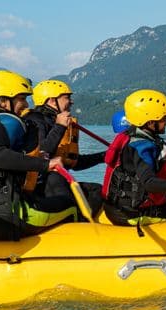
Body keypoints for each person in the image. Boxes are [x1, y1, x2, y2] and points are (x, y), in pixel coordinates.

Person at [0, 70, 80, 240]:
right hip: (2, 213)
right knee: (70, 205)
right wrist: (46, 165)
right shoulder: (8, 120)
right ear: (4, 101)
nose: (26, 105)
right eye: (21, 99)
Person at [101, 89, 166, 226]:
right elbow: (148, 183)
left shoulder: (134, 137)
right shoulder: (141, 147)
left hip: (121, 208)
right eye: (163, 118)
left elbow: (159, 162)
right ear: (149, 123)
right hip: (130, 214)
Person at [24, 79, 106, 217]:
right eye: (67, 97)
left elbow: (73, 162)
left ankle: (85, 226)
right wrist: (60, 126)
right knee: (58, 183)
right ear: (51, 100)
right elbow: (42, 152)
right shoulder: (35, 120)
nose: (71, 101)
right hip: (42, 184)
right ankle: (71, 224)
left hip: (56, 179)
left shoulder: (55, 121)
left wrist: (104, 156)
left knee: (97, 191)